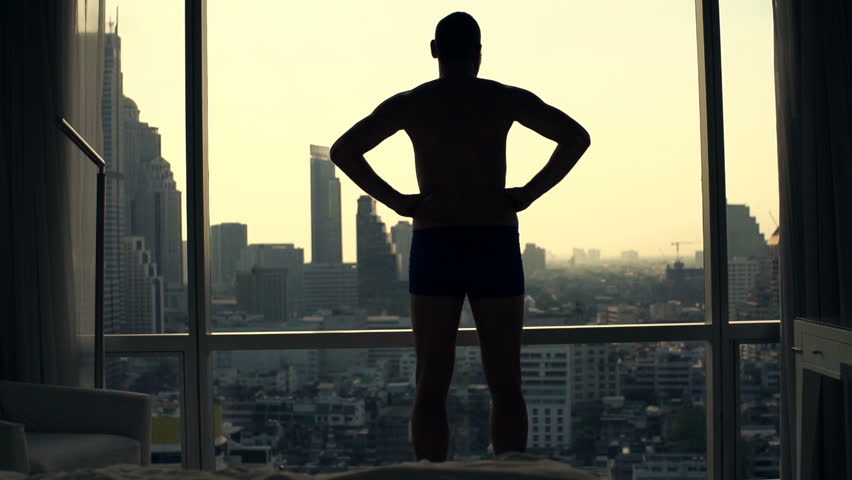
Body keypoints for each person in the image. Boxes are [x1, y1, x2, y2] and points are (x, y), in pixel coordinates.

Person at [329, 11, 590, 461]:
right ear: (480, 53)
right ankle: (510, 473)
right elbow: (575, 138)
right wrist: (528, 193)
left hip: (437, 240)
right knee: (506, 378)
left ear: (434, 50)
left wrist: (399, 201)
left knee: (432, 377)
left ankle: (431, 472)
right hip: (494, 238)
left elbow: (344, 150)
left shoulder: (412, 103)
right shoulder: (503, 99)